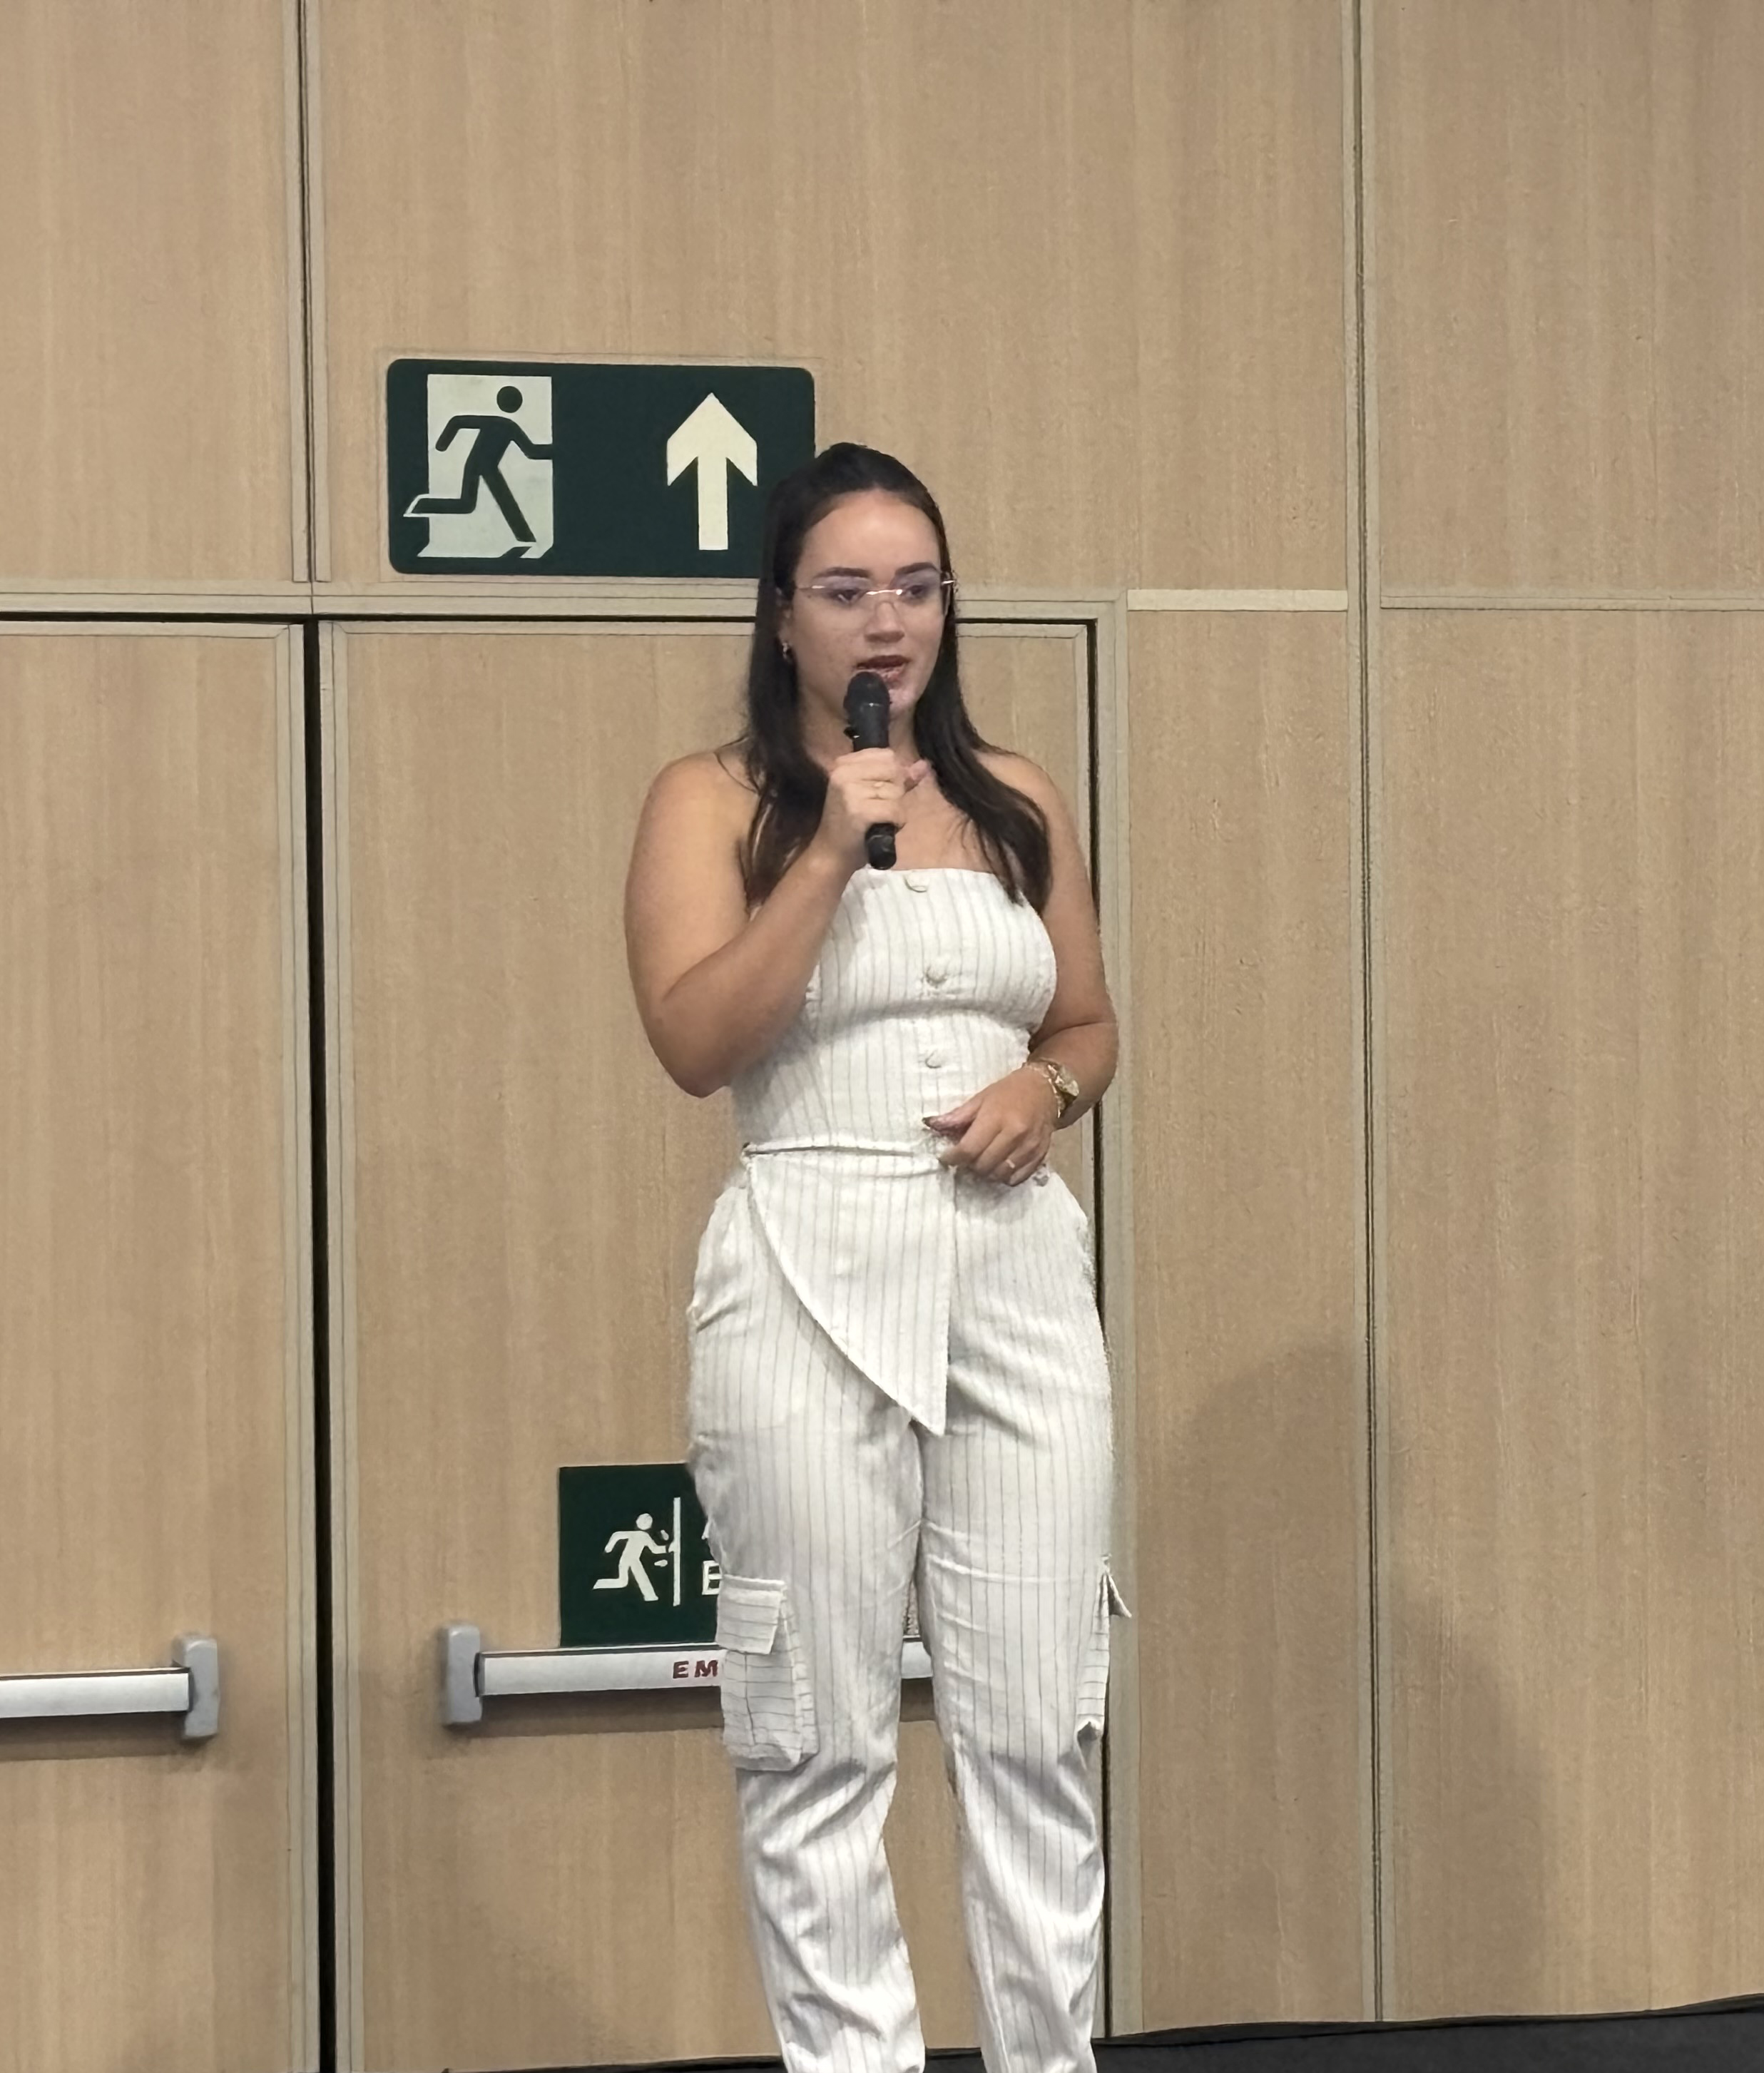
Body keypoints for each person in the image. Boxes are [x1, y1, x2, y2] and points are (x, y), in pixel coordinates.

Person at [624, 442, 1123, 2073]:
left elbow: (1088, 1024)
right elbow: (695, 1039)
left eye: (916, 587)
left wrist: (1047, 1092)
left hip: (1015, 1278)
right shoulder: (714, 798)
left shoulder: (1019, 796)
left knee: (1038, 1724)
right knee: (816, 1739)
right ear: (784, 615)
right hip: (803, 1262)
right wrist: (834, 849)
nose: (886, 622)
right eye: (847, 590)